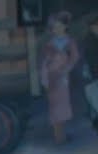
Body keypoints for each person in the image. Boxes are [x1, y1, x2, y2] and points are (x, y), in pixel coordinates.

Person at [40, 11, 80, 145]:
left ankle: (61, 135)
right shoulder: (50, 44)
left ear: (65, 26)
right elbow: (45, 63)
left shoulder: (70, 42)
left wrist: (66, 69)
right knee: (54, 106)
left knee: (62, 106)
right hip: (52, 78)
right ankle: (58, 137)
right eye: (54, 27)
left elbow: (75, 58)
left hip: (63, 79)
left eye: (59, 26)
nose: (56, 29)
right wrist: (44, 79)